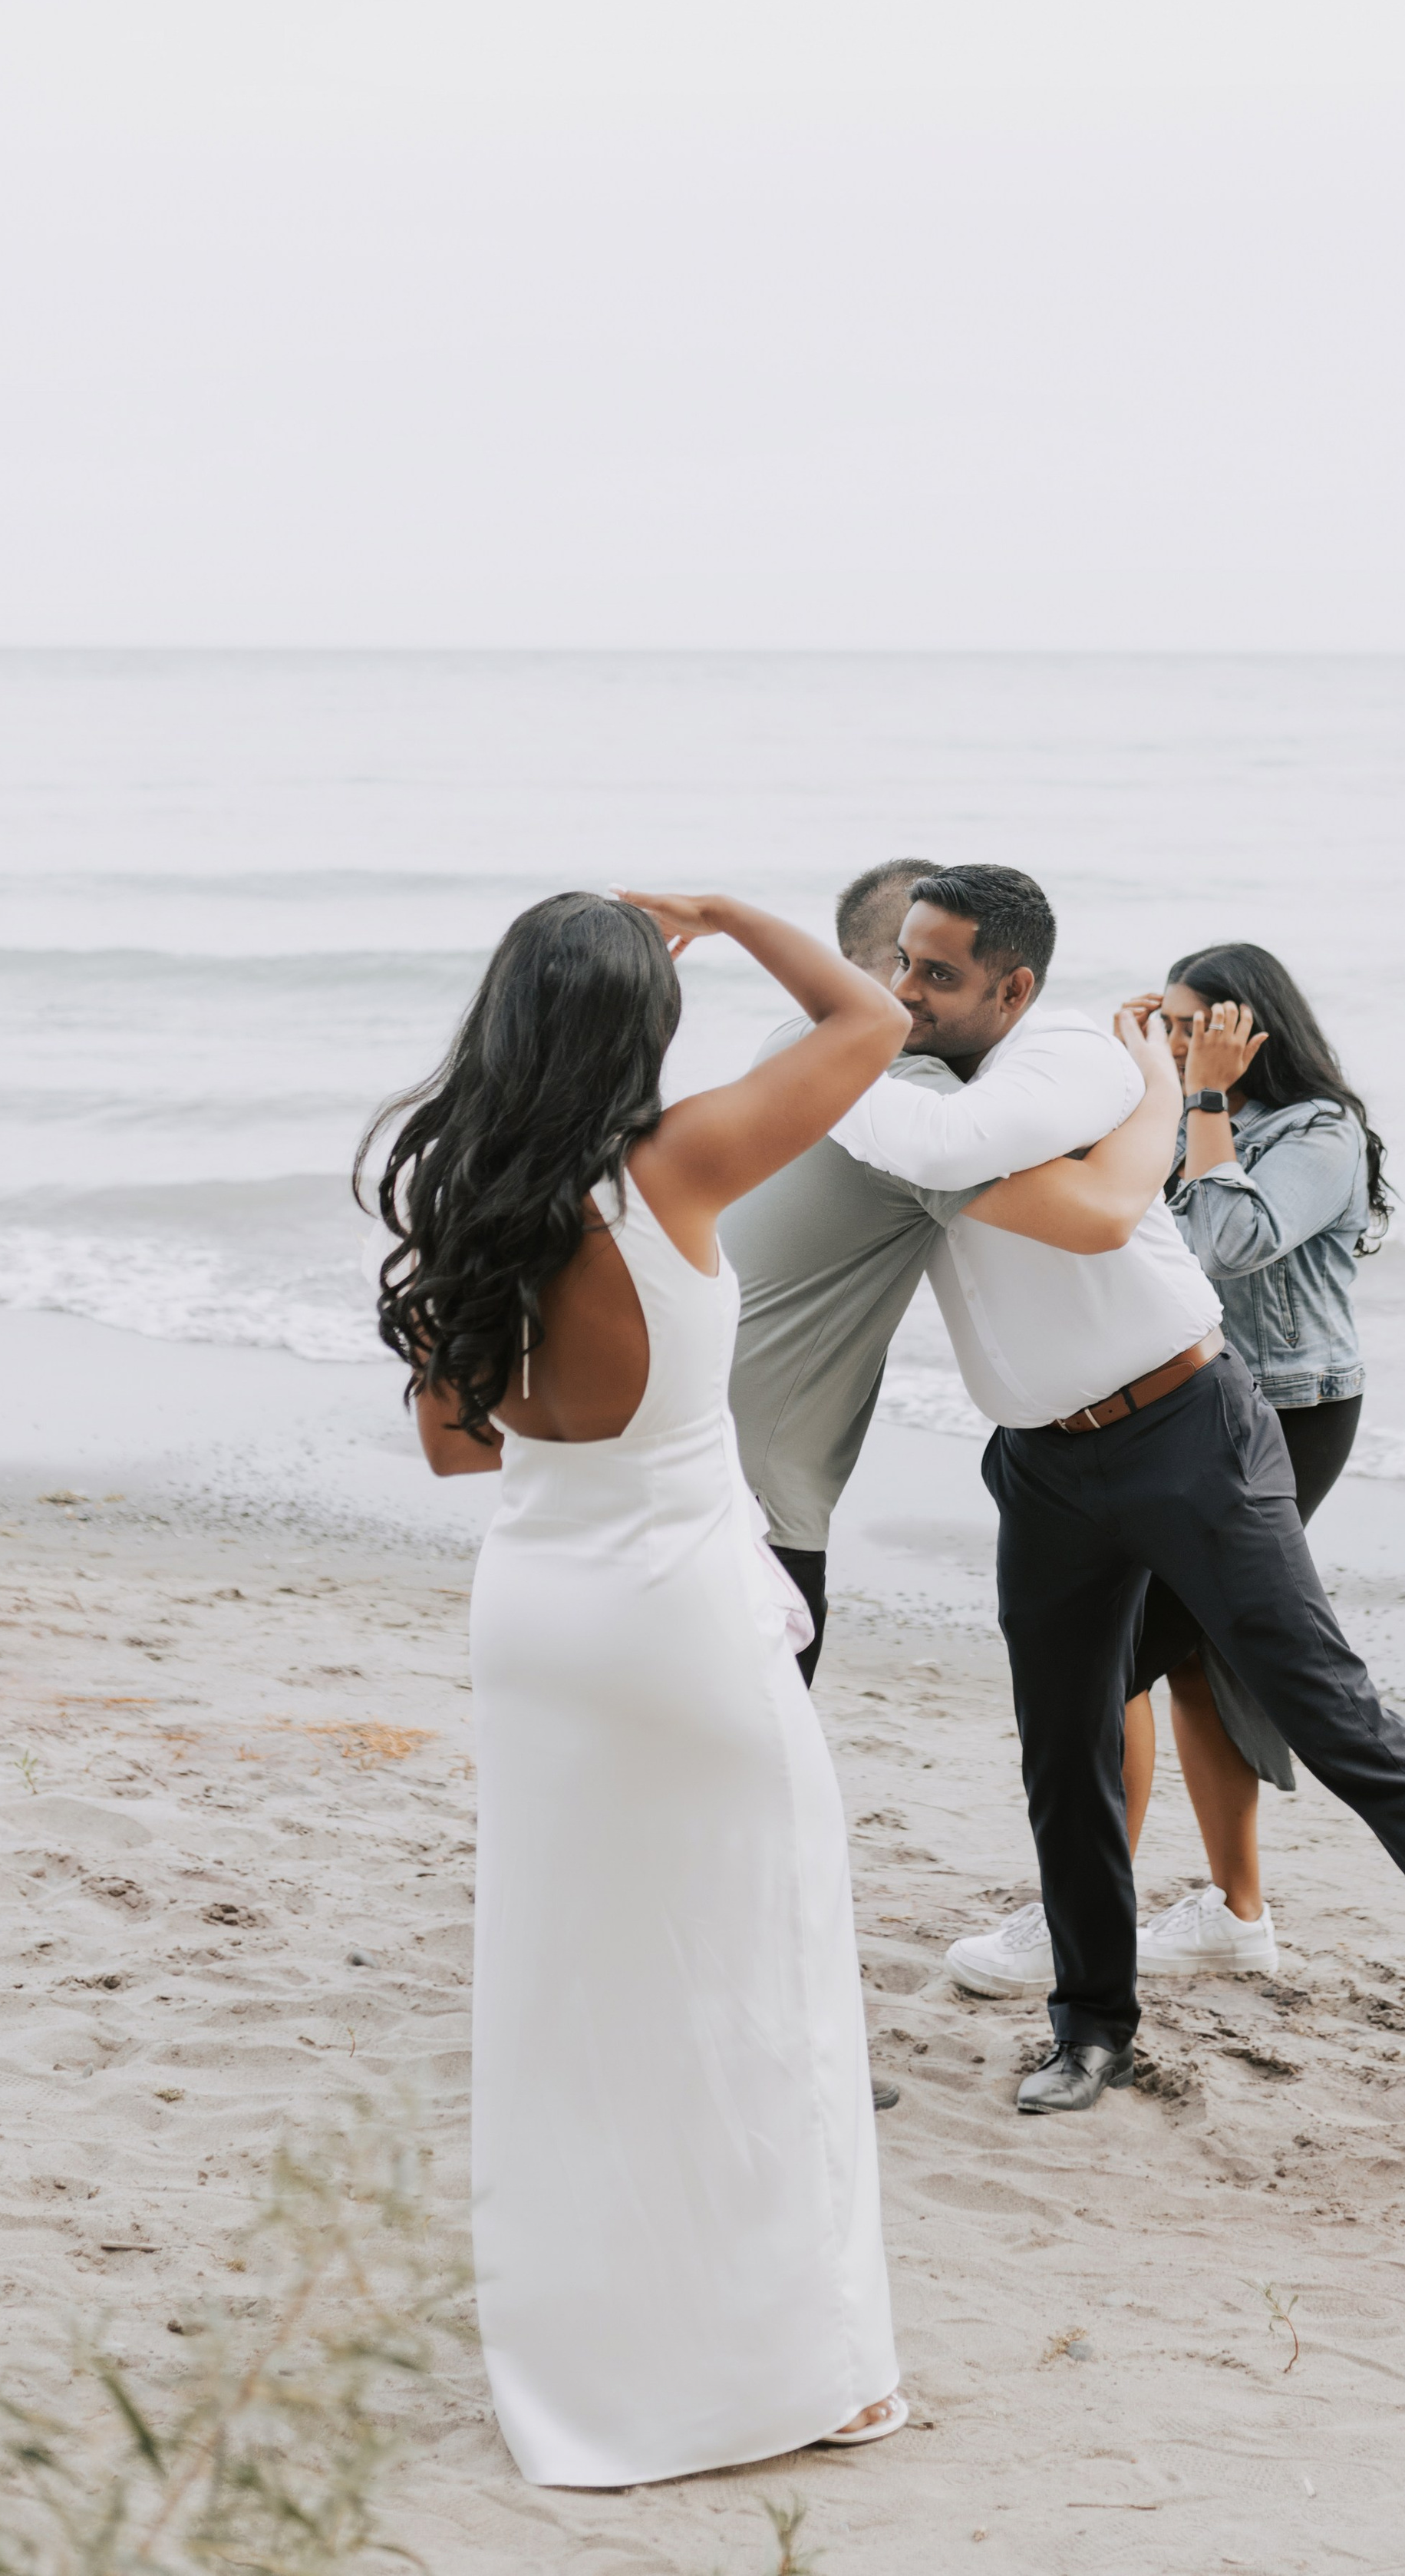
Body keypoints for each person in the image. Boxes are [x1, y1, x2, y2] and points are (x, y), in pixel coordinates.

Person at [835, 864, 1405, 2195]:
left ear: (1012, 987)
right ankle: (1093, 2026)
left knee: (1340, 1722)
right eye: (897, 967)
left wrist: (1161, 1086)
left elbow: (1043, 1181)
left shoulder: (1074, 1053)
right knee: (1063, 1745)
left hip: (1190, 1432)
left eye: (937, 974)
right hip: (1046, 1465)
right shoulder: (916, 1093)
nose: (906, 994)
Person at [358, 887, 915, 2488]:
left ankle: (589, 2370)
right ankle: (807, 2378)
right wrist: (734, 914)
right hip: (677, 1626)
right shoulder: (672, 1166)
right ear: (638, 1029)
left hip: (538, 1620)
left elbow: (455, 1448)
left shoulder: (470, 1203)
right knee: (760, 1984)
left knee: (572, 2000)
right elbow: (871, 1023)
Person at [961, 945, 1387, 1995]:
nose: (1189, 1041)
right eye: (1177, 1021)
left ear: (1257, 1031)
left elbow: (1229, 1243)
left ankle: (1085, 1911)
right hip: (1188, 1414)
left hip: (1286, 1412)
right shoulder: (1179, 1106)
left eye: (1206, 1024)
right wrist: (1135, 1070)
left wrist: (1194, 1096)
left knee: (1121, 1664)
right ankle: (1233, 1915)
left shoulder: (1315, 1132)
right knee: (1194, 1660)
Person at [723, 857, 1142, 1686]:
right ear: (880, 968)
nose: (923, 992)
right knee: (757, 1767)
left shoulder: (795, 1039)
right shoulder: (902, 1091)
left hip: (693, 1448)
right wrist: (1165, 1083)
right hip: (759, 1499)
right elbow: (1098, 1216)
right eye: (916, 967)